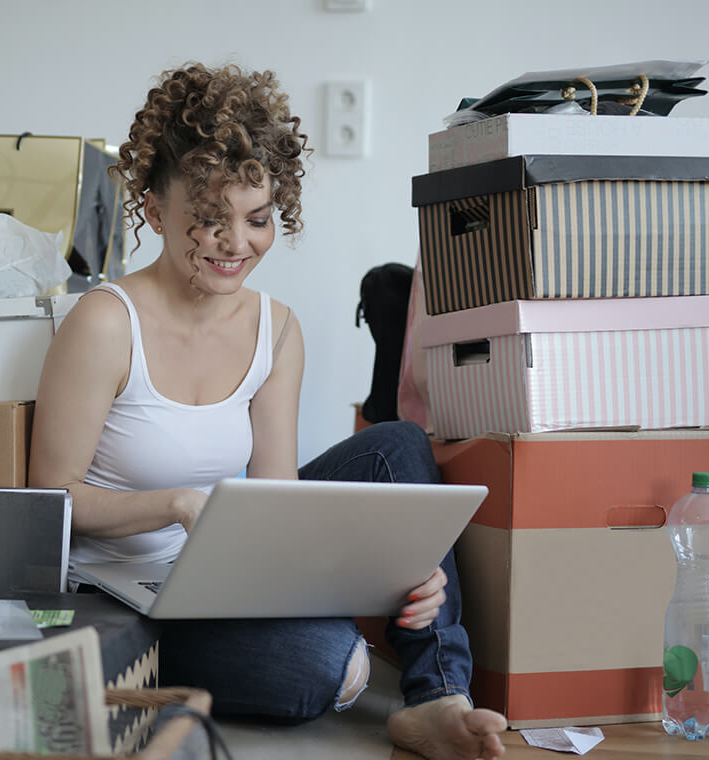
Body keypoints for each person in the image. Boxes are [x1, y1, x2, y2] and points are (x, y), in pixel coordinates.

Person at [29, 61, 506, 760]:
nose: (236, 244)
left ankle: (437, 698)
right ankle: (169, 664)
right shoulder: (104, 322)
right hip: (131, 594)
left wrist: (399, 565)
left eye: (256, 220)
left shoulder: (276, 328)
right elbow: (51, 496)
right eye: (208, 220)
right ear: (158, 212)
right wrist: (179, 505)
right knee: (332, 670)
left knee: (398, 446)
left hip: (227, 571)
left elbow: (279, 505)